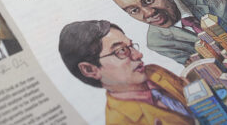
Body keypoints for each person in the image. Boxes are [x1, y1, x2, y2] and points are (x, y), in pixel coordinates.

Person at [58, 20, 194, 125]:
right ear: (90, 70)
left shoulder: (153, 71)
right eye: (122, 51)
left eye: (131, 46)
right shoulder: (121, 121)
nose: (138, 55)